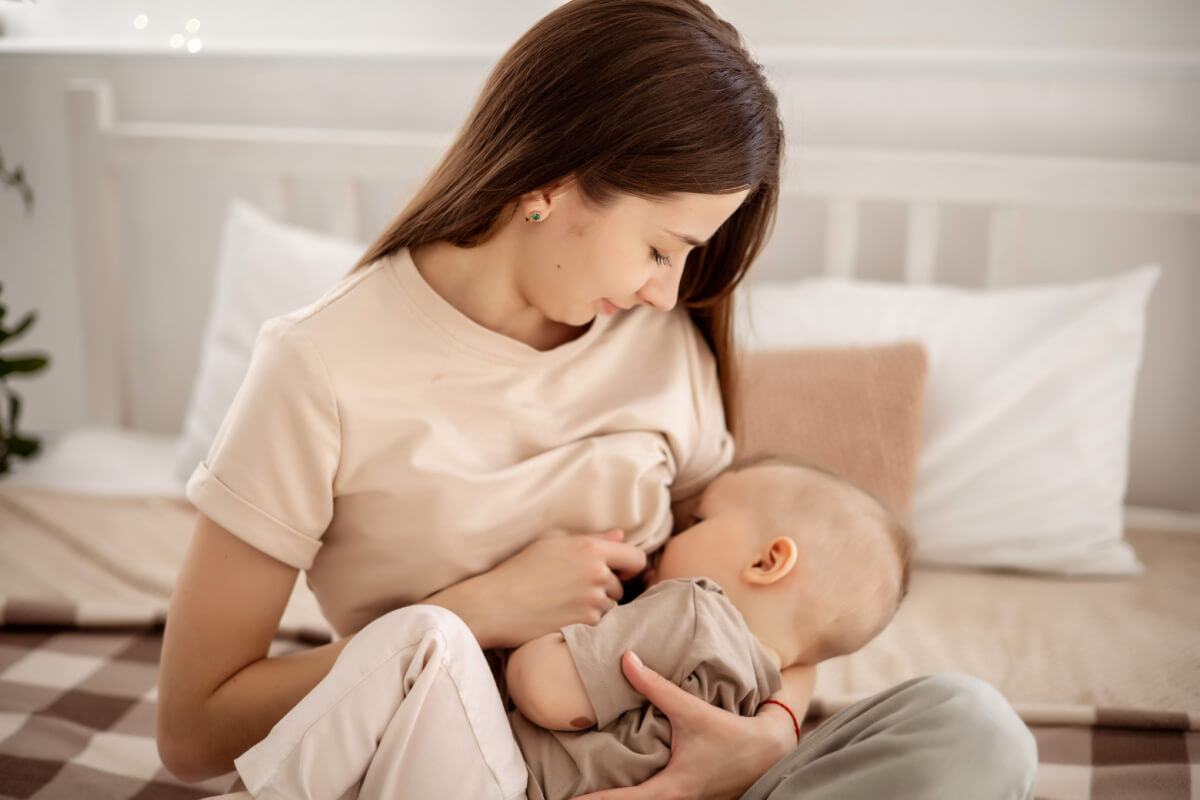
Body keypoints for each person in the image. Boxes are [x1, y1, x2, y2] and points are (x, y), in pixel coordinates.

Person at [156, 1, 1037, 798]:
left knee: (972, 726)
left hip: (690, 771)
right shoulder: (317, 369)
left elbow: (770, 619)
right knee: (429, 647)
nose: (670, 292)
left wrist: (763, 736)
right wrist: (479, 609)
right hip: (478, 773)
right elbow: (193, 734)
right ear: (553, 182)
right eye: (662, 249)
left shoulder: (660, 345)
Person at [505, 455, 914, 800]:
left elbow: (544, 690)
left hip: (507, 775)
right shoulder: (757, 699)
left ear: (766, 563)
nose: (669, 537)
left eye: (696, 520)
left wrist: (545, 616)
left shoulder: (694, 611)